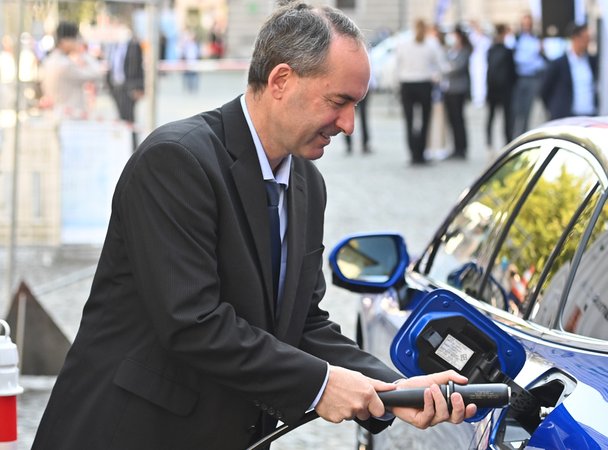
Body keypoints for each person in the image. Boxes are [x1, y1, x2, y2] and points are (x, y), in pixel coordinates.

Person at [31, 3, 475, 450]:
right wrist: (322, 384)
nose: (348, 124)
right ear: (281, 80)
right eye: (338, 101)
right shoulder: (176, 159)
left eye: (357, 105)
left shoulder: (307, 183)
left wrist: (394, 390)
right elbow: (193, 322)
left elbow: (302, 324)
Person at [395, 19, 443, 165]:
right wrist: (435, 76)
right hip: (424, 84)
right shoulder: (431, 44)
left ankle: (413, 153)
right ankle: (421, 152)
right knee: (424, 120)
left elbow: (397, 66)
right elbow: (441, 65)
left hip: (407, 84)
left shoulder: (403, 43)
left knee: (409, 121)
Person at [38, 21, 103, 119]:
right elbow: (98, 73)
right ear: (65, 41)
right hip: (71, 118)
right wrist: (84, 53)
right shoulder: (65, 65)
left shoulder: (49, 61)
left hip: (56, 115)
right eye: (75, 39)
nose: (77, 42)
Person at [540, 22, 598, 120]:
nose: (588, 42)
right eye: (585, 38)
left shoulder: (592, 61)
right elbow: (545, 90)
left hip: (589, 115)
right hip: (566, 117)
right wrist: (554, 109)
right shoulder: (559, 63)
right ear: (575, 38)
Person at [510, 13, 548, 137]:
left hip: (532, 78)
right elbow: (518, 59)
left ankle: (523, 136)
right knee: (516, 110)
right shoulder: (516, 39)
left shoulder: (536, 39)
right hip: (519, 79)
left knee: (527, 111)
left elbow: (541, 61)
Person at [442, 27, 472, 160]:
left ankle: (461, 148)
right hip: (449, 89)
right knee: (452, 120)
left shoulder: (464, 51)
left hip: (458, 89)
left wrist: (445, 69)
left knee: (459, 119)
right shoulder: (451, 50)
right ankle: (455, 147)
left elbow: (458, 67)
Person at [485, 23, 516, 150]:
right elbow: (513, 72)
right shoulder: (507, 51)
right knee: (506, 118)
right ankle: (507, 143)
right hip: (504, 90)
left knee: (492, 117)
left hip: (493, 89)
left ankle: (490, 143)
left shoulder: (491, 50)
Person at [107, 22, 144, 125]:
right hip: (115, 86)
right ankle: (122, 140)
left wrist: (140, 87)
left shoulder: (134, 46)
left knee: (129, 118)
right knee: (120, 116)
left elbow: (139, 67)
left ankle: (132, 140)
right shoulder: (113, 46)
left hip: (129, 87)